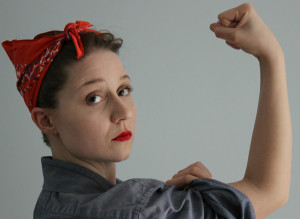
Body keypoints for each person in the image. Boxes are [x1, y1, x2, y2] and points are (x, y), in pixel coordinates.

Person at [2, 3, 292, 219]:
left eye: (123, 90)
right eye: (93, 98)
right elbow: (268, 190)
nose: (121, 112)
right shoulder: (130, 210)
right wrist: (271, 56)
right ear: (46, 119)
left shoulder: (54, 203)